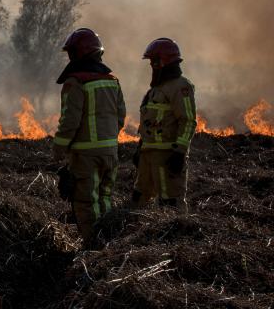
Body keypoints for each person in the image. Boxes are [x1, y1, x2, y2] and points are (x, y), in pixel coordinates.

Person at [52, 28, 126, 248]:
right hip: (111, 153)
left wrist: (59, 148)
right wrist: (108, 140)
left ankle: (94, 249)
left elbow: (70, 121)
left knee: (85, 201)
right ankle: (111, 244)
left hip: (85, 155)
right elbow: (120, 116)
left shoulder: (76, 83)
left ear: (78, 54)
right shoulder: (112, 81)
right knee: (104, 198)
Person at [132, 38, 196, 211]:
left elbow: (188, 120)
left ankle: (174, 237)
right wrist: (140, 147)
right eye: (151, 61)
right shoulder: (155, 89)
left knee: (170, 204)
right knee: (138, 198)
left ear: (166, 61)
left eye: (155, 61)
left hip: (167, 156)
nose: (152, 65)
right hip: (148, 155)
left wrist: (179, 152)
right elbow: (149, 121)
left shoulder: (180, 87)